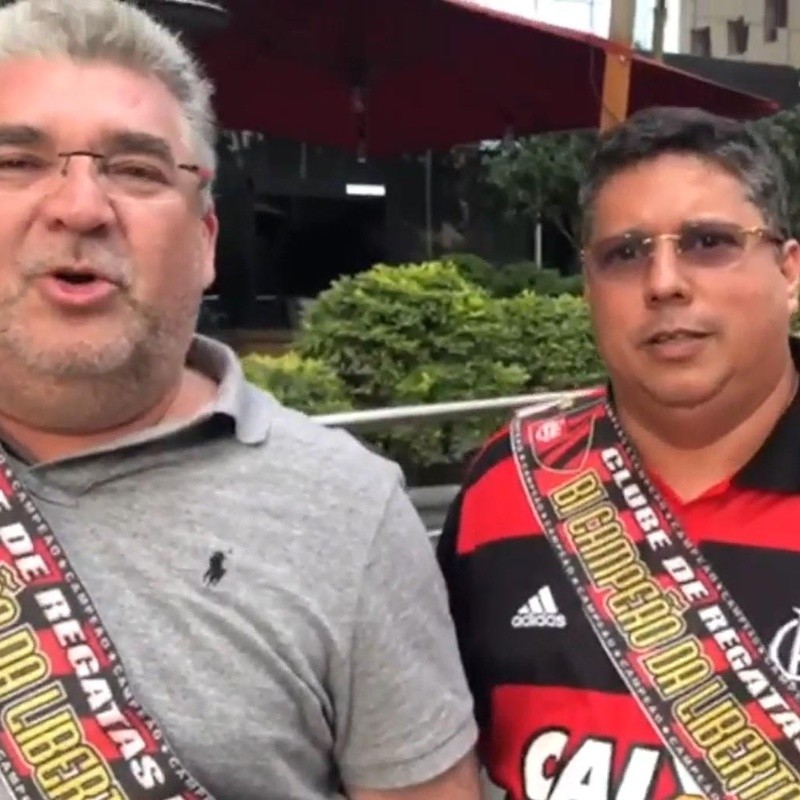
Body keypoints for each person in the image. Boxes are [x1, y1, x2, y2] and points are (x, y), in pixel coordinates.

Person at [0, 1, 481, 799]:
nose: (80, 207)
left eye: (137, 169)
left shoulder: (347, 511)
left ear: (206, 241)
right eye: (15, 162)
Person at [438, 106, 800, 800]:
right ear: (589, 288)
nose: (664, 282)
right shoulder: (509, 484)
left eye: (708, 242)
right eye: (625, 254)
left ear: (789, 272)